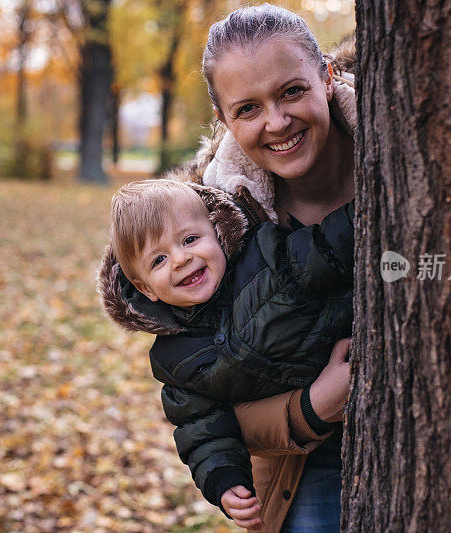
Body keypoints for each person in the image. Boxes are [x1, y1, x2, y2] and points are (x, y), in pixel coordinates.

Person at [188, 4, 358, 531]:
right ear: (223, 121)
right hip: (306, 457)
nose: (277, 123)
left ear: (327, 77)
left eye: (291, 91)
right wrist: (311, 407)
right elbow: (202, 404)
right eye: (247, 109)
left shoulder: (411, 151)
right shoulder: (213, 233)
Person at [97, 176, 353, 519]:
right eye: (158, 260)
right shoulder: (175, 360)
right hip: (303, 454)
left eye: (190, 239)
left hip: (358, 380)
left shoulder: (265, 257)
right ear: (145, 290)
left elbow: (324, 248)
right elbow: (202, 429)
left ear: (217, 233)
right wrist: (226, 481)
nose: (180, 259)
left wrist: (361, 216)